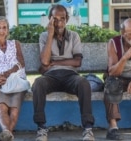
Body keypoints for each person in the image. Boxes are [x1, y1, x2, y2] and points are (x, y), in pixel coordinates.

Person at [32, 4, 95, 141]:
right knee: (38, 83)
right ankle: (41, 128)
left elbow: (77, 62)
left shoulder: (74, 36)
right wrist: (50, 35)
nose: (59, 23)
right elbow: (44, 61)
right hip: (51, 76)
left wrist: (55, 62)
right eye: (55, 19)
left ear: (67, 19)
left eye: (62, 19)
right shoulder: (44, 36)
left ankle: (88, 129)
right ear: (49, 19)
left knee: (83, 83)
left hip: (70, 76)